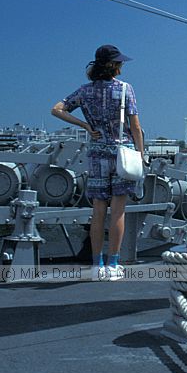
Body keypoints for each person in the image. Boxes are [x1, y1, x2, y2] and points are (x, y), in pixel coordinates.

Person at [51, 44, 145, 281]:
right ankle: (113, 266)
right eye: (120, 63)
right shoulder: (125, 89)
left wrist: (84, 125)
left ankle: (96, 266)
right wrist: (141, 154)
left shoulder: (85, 91)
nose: (122, 66)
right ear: (113, 65)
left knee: (98, 211)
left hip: (96, 153)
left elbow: (57, 109)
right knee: (118, 211)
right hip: (121, 152)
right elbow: (134, 126)